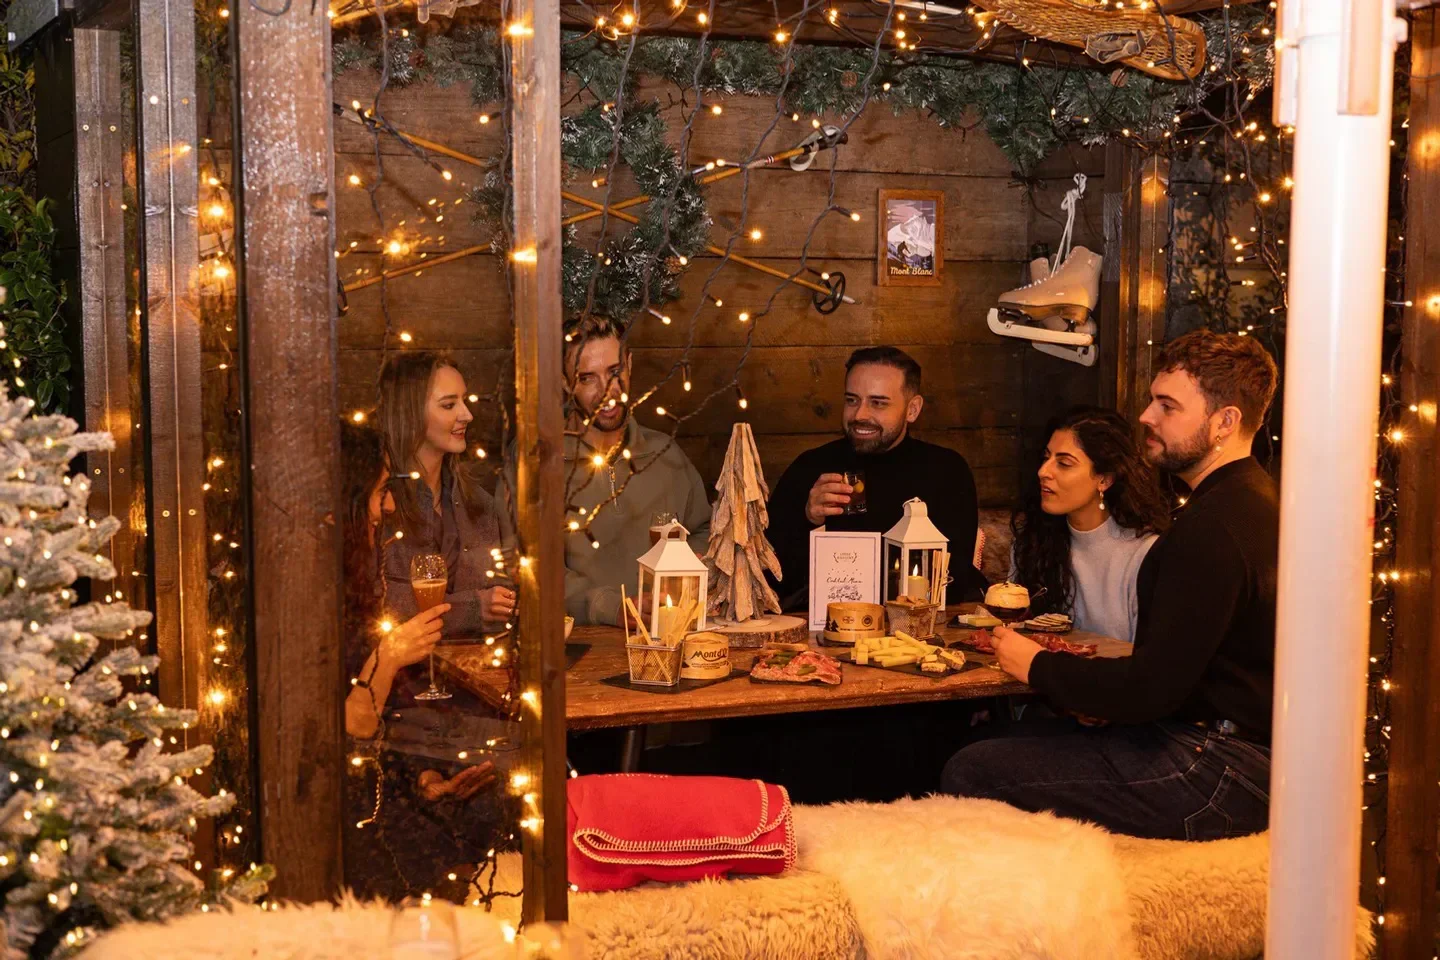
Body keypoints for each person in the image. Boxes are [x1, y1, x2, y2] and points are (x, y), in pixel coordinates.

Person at [941, 330, 1280, 841]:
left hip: (1220, 771)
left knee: (973, 770)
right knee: (1005, 738)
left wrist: (1036, 665)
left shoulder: (1212, 528)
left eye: (1167, 405)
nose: (1146, 416)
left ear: (1225, 422)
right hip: (1226, 752)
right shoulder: (1252, 500)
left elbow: (1151, 687)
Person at [338, 423, 510, 901]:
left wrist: (424, 778)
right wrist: (390, 655)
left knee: (491, 794)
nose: (389, 505)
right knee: (448, 842)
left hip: (381, 778)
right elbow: (352, 727)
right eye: (378, 493)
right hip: (346, 810)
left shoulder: (356, 579)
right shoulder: (312, 601)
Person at [505, 317, 710, 626]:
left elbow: (706, 533)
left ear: (629, 364)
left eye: (615, 373)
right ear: (564, 382)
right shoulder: (535, 464)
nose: (607, 392)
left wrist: (681, 577)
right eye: (587, 378)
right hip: (578, 653)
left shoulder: (666, 454)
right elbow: (530, 569)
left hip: (669, 639)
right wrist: (611, 606)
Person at [767, 346, 987, 605]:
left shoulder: (946, 470)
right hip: (827, 625)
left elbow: (955, 577)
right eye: (852, 400)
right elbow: (771, 576)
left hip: (916, 628)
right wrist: (807, 519)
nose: (860, 415)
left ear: (912, 409)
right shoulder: (811, 467)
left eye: (878, 403)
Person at [377, 351, 514, 636]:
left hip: (477, 669)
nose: (467, 415)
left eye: (464, 401)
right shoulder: (381, 503)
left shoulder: (479, 503)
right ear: (410, 412)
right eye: (449, 405)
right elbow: (382, 605)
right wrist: (474, 609)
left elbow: (503, 585)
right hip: (398, 672)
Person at [1010, 406, 1169, 643]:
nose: (1044, 471)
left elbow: (1151, 664)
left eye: (1064, 463)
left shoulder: (1143, 553)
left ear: (1104, 479)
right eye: (1046, 458)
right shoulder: (1033, 540)